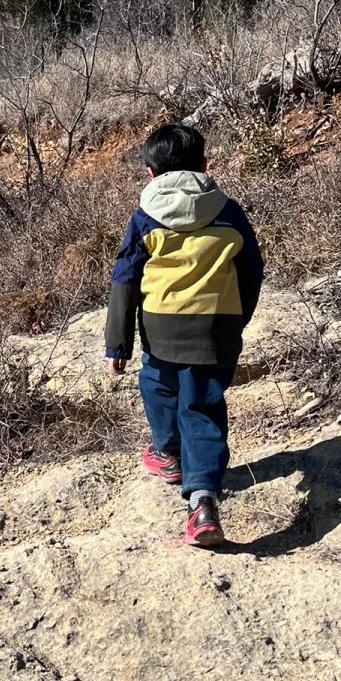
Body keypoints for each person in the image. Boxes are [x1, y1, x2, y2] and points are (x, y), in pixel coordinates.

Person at [105, 123, 263, 547]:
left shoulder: (144, 217)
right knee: (202, 404)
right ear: (205, 166)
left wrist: (118, 342)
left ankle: (168, 455)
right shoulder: (229, 211)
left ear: (151, 174)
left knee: (156, 381)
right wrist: (238, 319)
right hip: (218, 325)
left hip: (160, 325)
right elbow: (251, 271)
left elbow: (125, 278)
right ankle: (203, 500)